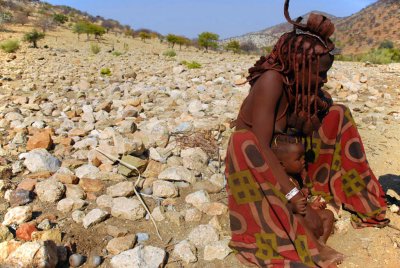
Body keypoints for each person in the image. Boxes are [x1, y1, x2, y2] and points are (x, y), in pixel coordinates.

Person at [224, 0, 388, 267]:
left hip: (286, 158)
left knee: (337, 114)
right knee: (244, 142)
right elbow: (262, 148)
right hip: (257, 166)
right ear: (300, 65)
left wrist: (322, 103)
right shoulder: (271, 82)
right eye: (320, 73)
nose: (322, 79)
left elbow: (319, 111)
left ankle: (353, 197)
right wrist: (293, 196)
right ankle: (295, 232)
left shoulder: (297, 85)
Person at [271, 134, 335, 245]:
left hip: (305, 215)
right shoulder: (280, 183)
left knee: (328, 215)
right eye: (298, 159)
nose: (303, 161)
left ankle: (321, 244)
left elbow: (303, 202)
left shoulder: (296, 178)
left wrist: (312, 205)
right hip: (291, 221)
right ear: (282, 165)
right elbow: (278, 206)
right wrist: (293, 208)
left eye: (303, 157)